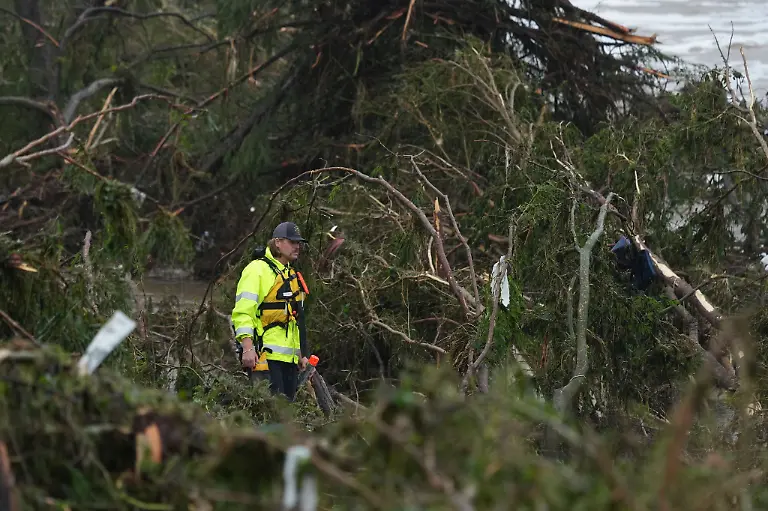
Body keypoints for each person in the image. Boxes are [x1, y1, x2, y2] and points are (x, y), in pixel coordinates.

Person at [230, 221, 310, 400]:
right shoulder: (257, 270)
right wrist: (248, 348)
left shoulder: (290, 274)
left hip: (288, 362)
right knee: (270, 415)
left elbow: (292, 320)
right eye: (292, 242)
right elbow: (243, 312)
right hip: (264, 358)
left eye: (299, 243)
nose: (297, 246)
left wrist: (299, 355)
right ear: (278, 243)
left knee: (285, 416)